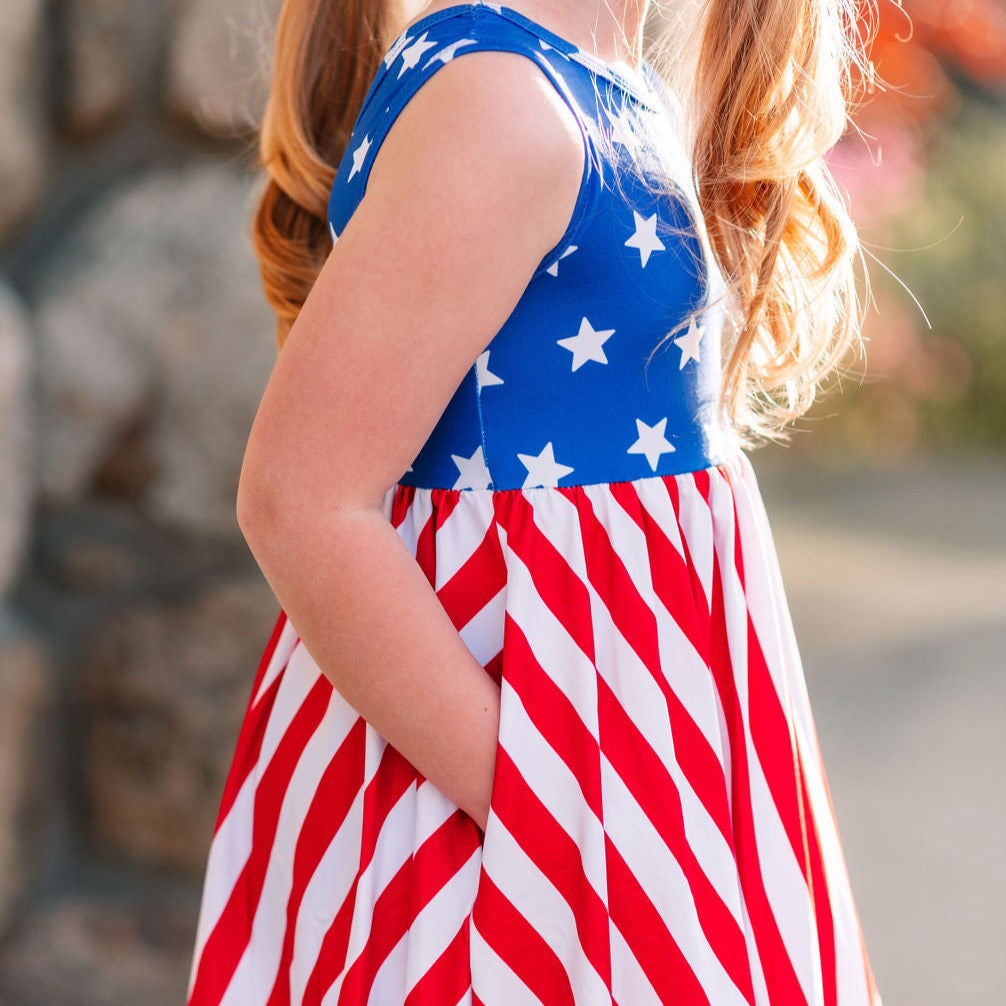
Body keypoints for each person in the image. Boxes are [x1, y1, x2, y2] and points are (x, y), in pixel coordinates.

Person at [186, 0, 885, 1002]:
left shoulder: (597, 87)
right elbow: (302, 498)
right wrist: (556, 817)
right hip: (512, 824)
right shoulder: (504, 106)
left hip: (626, 771)